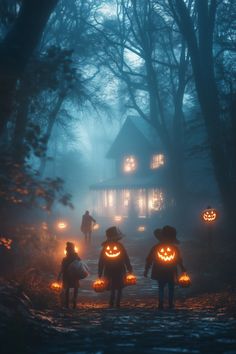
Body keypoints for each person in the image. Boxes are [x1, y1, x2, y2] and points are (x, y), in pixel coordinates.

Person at [144, 225, 186, 310]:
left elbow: (149, 259)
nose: (166, 253)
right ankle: (170, 303)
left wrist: (146, 269)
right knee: (171, 287)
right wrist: (182, 268)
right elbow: (178, 260)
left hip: (160, 270)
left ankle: (161, 302)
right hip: (170, 270)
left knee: (161, 287)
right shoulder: (174, 248)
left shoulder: (156, 247)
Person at [98, 226, 133, 308]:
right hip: (116, 268)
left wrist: (129, 267)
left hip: (115, 268)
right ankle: (115, 301)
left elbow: (125, 257)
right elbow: (102, 260)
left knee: (116, 285)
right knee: (116, 285)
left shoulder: (113, 246)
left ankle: (114, 301)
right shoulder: (118, 246)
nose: (111, 251)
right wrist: (129, 267)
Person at [58, 242, 81, 309]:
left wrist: (59, 276)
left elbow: (62, 268)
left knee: (69, 289)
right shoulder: (75, 257)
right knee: (72, 288)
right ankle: (72, 302)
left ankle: (70, 303)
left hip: (69, 275)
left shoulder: (66, 259)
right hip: (72, 275)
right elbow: (63, 268)